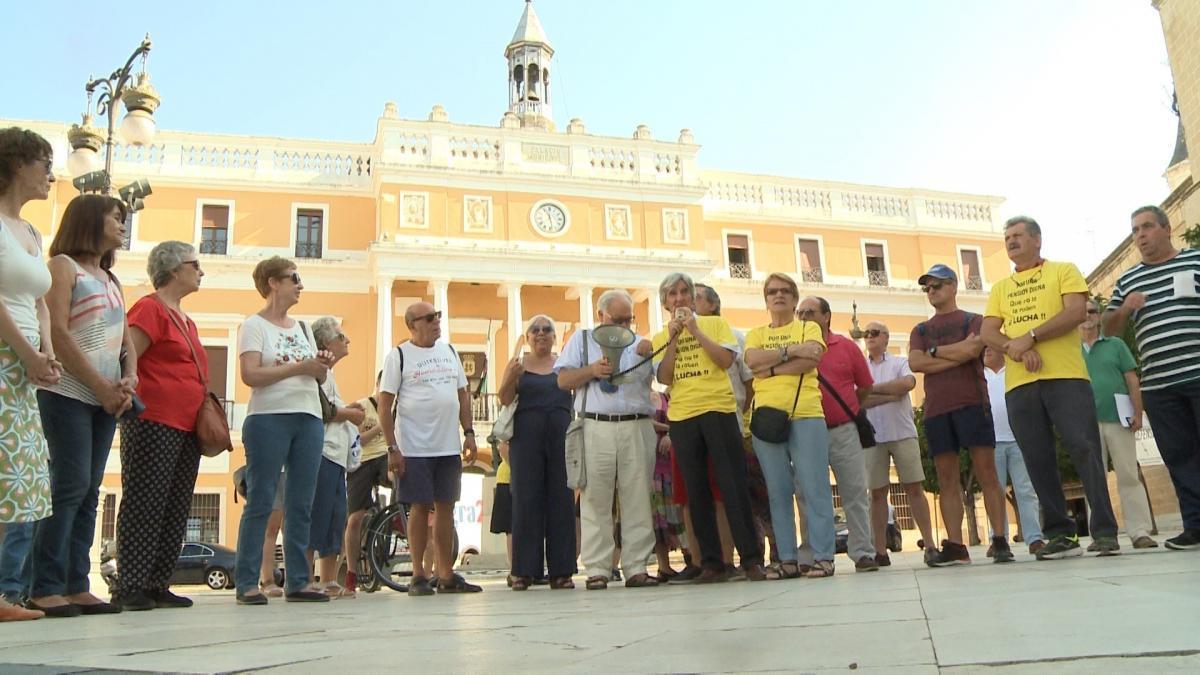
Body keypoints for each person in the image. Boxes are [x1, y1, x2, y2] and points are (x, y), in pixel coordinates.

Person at [982, 216, 1119, 559]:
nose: (1011, 241)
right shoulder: (1000, 288)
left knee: (1085, 450)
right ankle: (1060, 534)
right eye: (1007, 237)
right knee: (1037, 459)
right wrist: (1014, 348)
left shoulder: (1063, 270)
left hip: (1066, 378)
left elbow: (1075, 312)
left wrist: (1029, 338)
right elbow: (987, 332)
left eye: (1017, 235)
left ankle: (1104, 531)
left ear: (1037, 239)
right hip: (1021, 384)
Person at [28, 194, 134, 618]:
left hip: (105, 399)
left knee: (90, 491)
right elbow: (57, 330)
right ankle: (46, 585)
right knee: (69, 486)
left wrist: (130, 379)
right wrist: (100, 386)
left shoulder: (112, 280)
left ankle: (76, 583)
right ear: (90, 220)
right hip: (69, 394)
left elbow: (126, 342)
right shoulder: (62, 267)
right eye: (116, 217)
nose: (123, 226)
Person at [652, 275, 769, 583]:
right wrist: (675, 338)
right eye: (672, 294)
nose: (679, 298)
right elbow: (665, 376)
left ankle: (751, 559)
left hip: (718, 410)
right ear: (665, 303)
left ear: (692, 299)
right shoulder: (660, 335)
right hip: (683, 416)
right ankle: (712, 563)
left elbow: (724, 360)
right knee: (696, 491)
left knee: (733, 486)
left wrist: (695, 329)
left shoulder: (716, 325)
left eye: (684, 293)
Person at [112, 241, 209, 611]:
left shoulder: (186, 319)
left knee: (175, 505)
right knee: (145, 501)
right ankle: (130, 585)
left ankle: (157, 582)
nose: (200, 270)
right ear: (171, 270)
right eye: (193, 264)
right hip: (154, 418)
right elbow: (129, 353)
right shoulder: (150, 309)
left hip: (187, 425)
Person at [233, 256, 332, 605]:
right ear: (273, 283)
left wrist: (319, 367)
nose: (300, 284)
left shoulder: (303, 328)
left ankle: (298, 581)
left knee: (301, 501)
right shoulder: (254, 326)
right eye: (294, 277)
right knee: (261, 500)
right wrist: (299, 367)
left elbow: (317, 376)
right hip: (268, 418)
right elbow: (250, 375)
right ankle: (246, 582)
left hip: (307, 417)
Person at [1103, 205, 1200, 551]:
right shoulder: (1128, 280)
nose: (1140, 235)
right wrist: (1126, 308)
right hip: (1159, 384)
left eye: (1146, 227)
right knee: (1179, 456)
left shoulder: (1195, 261)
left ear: (1166, 228)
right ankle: (1195, 527)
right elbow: (1107, 327)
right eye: (1135, 230)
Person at [557, 289, 663, 589]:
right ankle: (598, 569)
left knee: (638, 496)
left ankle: (637, 566)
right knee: (594, 498)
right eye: (617, 319)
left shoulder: (641, 342)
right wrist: (590, 371)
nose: (623, 325)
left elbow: (665, 374)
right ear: (600, 314)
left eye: (628, 320)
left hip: (636, 424)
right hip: (595, 425)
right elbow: (563, 380)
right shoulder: (582, 339)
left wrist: (657, 350)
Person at [909, 264, 1012, 565]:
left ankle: (1000, 538)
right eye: (927, 287)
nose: (932, 291)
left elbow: (972, 351)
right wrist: (951, 353)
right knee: (946, 479)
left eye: (937, 285)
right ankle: (955, 545)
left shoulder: (974, 320)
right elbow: (916, 362)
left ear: (953, 286)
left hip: (972, 404)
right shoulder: (920, 330)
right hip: (937, 410)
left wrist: (935, 354)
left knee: (987, 473)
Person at [379, 301, 481, 595]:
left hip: (447, 446)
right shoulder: (398, 357)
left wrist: (469, 432)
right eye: (429, 318)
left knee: (447, 506)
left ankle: (446, 573)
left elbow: (463, 395)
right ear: (413, 325)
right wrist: (391, 447)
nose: (437, 322)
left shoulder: (449, 352)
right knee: (420, 508)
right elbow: (385, 405)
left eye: (438, 316)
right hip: (414, 447)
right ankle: (419, 575)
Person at [0, 127, 59, 622]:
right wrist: (25, 353)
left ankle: (2, 592)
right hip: (4, 356)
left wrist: (47, 351)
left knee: (17, 479)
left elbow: (39, 300)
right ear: (17, 163)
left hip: (23, 366)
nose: (51, 174)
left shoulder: (32, 233)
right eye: (43, 162)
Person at [743, 274, 836, 579]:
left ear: (795, 300)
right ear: (765, 299)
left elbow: (811, 358)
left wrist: (769, 368)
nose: (778, 295)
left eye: (785, 291)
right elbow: (751, 361)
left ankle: (823, 557)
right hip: (767, 419)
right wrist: (788, 353)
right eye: (772, 291)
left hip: (806, 414)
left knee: (815, 488)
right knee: (778, 491)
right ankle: (787, 559)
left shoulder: (808, 327)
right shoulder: (755, 333)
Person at [695, 283, 772, 572]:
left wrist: (739, 411)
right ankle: (716, 561)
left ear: (713, 305)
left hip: (731, 422)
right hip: (695, 421)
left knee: (739, 493)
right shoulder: (682, 337)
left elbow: (750, 383)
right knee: (706, 494)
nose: (689, 303)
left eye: (697, 298)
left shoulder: (735, 337)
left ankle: (753, 557)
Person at [799, 296, 878, 572]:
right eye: (801, 312)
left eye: (810, 311)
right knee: (808, 494)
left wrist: (850, 406)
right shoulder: (796, 348)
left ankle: (864, 552)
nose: (804, 316)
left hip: (843, 430)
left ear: (826, 316)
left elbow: (865, 386)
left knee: (855, 491)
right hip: (806, 433)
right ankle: (813, 555)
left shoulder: (846, 347)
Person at [500, 315, 575, 590]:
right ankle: (523, 570)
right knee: (525, 500)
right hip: (526, 437)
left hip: (560, 436)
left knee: (561, 499)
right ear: (528, 337)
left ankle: (562, 571)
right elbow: (504, 398)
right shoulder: (518, 365)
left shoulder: (565, 365)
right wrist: (510, 377)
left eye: (547, 330)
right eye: (535, 330)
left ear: (555, 337)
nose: (541, 333)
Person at [1080, 298, 1157, 550]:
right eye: (1082, 312)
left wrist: (1138, 412)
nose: (1087, 315)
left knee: (1128, 475)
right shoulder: (1069, 349)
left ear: (1099, 316)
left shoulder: (1116, 345)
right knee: (1093, 479)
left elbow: (1132, 380)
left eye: (1092, 311)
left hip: (1118, 418)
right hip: (1085, 424)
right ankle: (1100, 535)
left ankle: (1139, 531)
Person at [861, 321, 937, 567]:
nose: (869, 337)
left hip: (902, 433)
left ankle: (930, 544)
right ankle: (880, 551)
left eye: (874, 333)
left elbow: (906, 385)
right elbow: (857, 399)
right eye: (866, 334)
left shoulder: (899, 362)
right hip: (872, 437)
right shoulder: (860, 367)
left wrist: (872, 390)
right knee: (876, 494)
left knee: (915, 488)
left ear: (885, 337)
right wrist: (888, 394)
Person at [307, 316, 364, 598]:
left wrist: (346, 411)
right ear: (326, 342)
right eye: (342, 337)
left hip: (336, 457)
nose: (347, 341)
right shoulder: (317, 371)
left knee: (334, 517)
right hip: (322, 454)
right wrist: (349, 414)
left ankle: (328, 579)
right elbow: (321, 409)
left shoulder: (331, 376)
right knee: (316, 516)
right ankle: (304, 578)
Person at [983, 346, 1044, 555]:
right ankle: (998, 538)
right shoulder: (979, 375)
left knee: (1026, 489)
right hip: (990, 442)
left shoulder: (1013, 370)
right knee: (994, 492)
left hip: (1018, 439)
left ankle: (1034, 537)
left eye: (990, 347)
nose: (986, 351)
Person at [345, 373, 389, 593]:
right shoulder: (362, 406)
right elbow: (356, 439)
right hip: (362, 460)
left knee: (397, 475)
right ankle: (352, 573)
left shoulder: (395, 407)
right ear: (378, 385)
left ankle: (398, 516)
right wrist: (380, 427)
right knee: (354, 519)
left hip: (384, 456)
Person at [649, 390, 685, 582]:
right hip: (651, 467)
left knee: (678, 513)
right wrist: (669, 428)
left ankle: (692, 558)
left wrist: (671, 432)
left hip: (670, 466)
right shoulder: (636, 398)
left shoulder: (666, 397)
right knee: (657, 517)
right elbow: (644, 422)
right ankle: (664, 566)